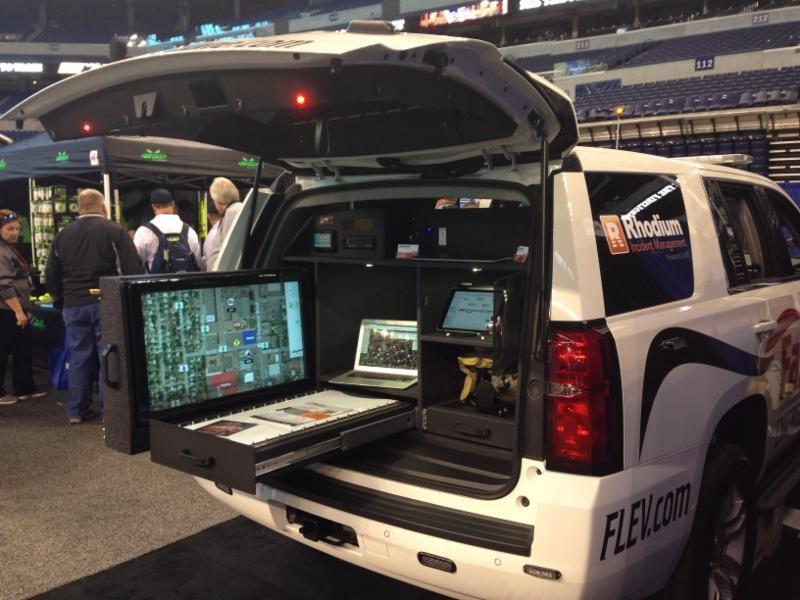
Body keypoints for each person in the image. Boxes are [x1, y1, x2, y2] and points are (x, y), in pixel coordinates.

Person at [45, 189, 144, 424]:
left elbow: (51, 273)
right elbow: (131, 268)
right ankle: (109, 410)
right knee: (109, 357)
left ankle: (76, 410)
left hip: (73, 304)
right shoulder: (114, 231)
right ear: (104, 207)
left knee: (78, 357)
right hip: (106, 303)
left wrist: (60, 300)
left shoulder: (62, 235)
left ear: (79, 208)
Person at [0, 210, 45, 405]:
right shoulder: (1, 252)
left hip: (16, 307)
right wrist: (18, 311)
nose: (15, 232)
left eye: (17, 228)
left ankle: (24, 387)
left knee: (23, 347)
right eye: (10, 229)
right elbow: (4, 285)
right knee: (3, 350)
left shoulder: (9, 248)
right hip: (6, 310)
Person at [133, 188, 202, 273]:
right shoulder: (190, 231)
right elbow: (198, 262)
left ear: (153, 207)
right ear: (173, 204)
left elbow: (135, 263)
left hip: (156, 281)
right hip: (186, 281)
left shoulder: (144, 231)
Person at [206, 177, 242, 271]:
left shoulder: (232, 213)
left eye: (213, 200)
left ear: (218, 200)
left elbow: (230, 251)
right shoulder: (236, 210)